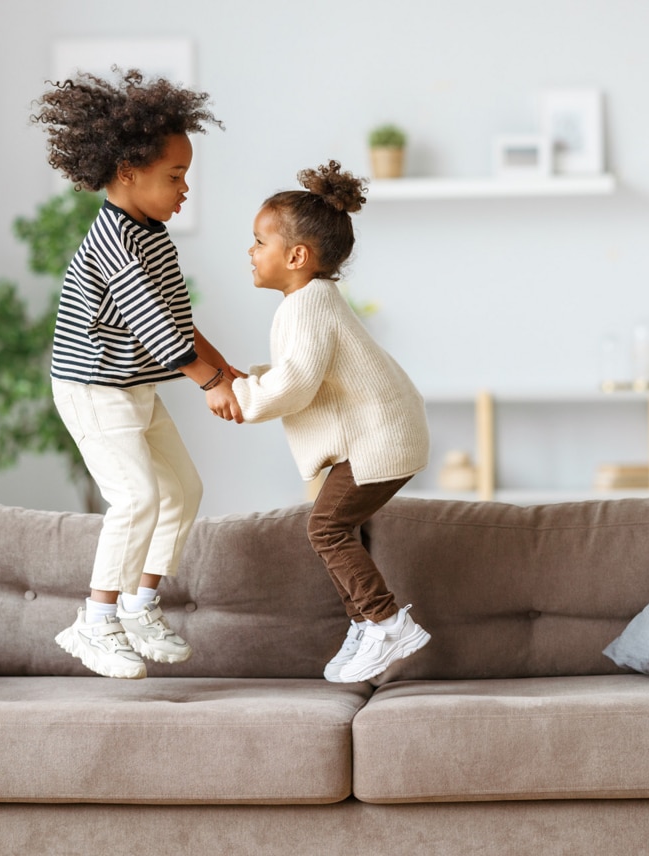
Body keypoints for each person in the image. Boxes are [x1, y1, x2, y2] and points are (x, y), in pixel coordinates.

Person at [31, 69, 243, 679]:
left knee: (183, 491)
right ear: (128, 173)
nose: (185, 189)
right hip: (94, 390)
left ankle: (139, 604)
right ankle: (95, 622)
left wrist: (225, 369)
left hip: (131, 386)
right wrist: (210, 383)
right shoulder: (114, 242)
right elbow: (155, 327)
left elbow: (178, 318)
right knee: (137, 497)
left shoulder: (153, 236)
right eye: (175, 176)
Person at [232, 161, 431, 683]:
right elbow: (304, 373)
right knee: (334, 527)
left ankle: (387, 622)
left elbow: (295, 384)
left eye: (259, 242)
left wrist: (243, 398)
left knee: (327, 527)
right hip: (385, 434)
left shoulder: (307, 304)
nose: (250, 251)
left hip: (383, 439)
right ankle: (364, 624)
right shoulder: (310, 301)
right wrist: (248, 379)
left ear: (296, 256)